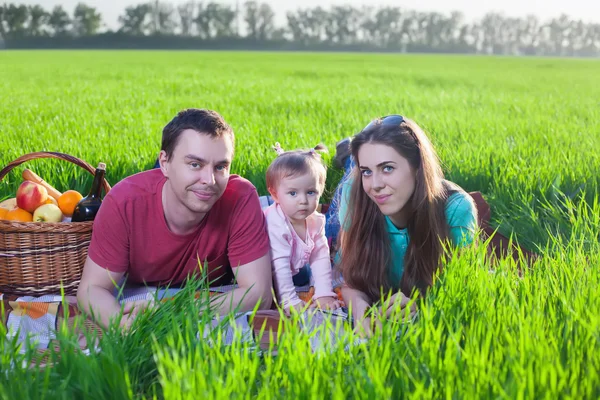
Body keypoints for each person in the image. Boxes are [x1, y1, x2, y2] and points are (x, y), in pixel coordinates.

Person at [77, 109, 273, 329]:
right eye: (195, 164)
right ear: (164, 162)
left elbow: (259, 294)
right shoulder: (123, 203)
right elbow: (90, 290)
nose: (210, 180)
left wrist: (171, 312)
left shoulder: (240, 197)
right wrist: (124, 326)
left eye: (220, 167)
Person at [335, 115, 478, 336]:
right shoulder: (355, 193)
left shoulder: (456, 210)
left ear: (418, 167)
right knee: (341, 188)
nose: (375, 185)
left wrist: (420, 305)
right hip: (349, 200)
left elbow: (459, 292)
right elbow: (348, 278)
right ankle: (348, 157)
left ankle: (349, 156)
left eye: (388, 168)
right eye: (367, 171)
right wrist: (360, 309)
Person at [263, 143, 342, 313]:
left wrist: (323, 294)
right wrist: (289, 300)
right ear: (275, 194)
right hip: (263, 268)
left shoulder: (315, 221)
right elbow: (279, 265)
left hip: (293, 265)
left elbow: (320, 257)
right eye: (293, 193)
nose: (303, 200)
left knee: (305, 276)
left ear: (321, 190)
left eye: (311, 192)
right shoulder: (276, 223)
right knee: (266, 288)